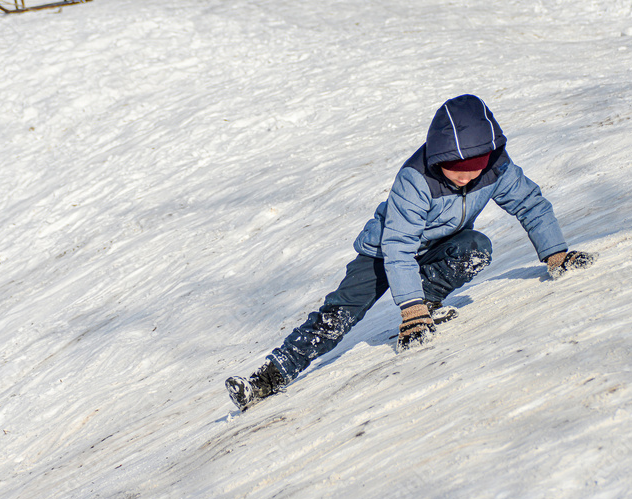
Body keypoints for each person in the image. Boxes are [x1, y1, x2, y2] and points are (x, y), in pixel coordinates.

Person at [225, 94, 595, 411]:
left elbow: (530, 203)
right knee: (340, 312)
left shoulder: (498, 169)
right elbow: (398, 246)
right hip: (383, 252)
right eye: (455, 169)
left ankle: (426, 306)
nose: (465, 178)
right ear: (438, 158)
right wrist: (409, 306)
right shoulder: (415, 179)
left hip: (437, 245)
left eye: (473, 168)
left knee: (475, 249)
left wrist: (555, 253)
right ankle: (270, 375)